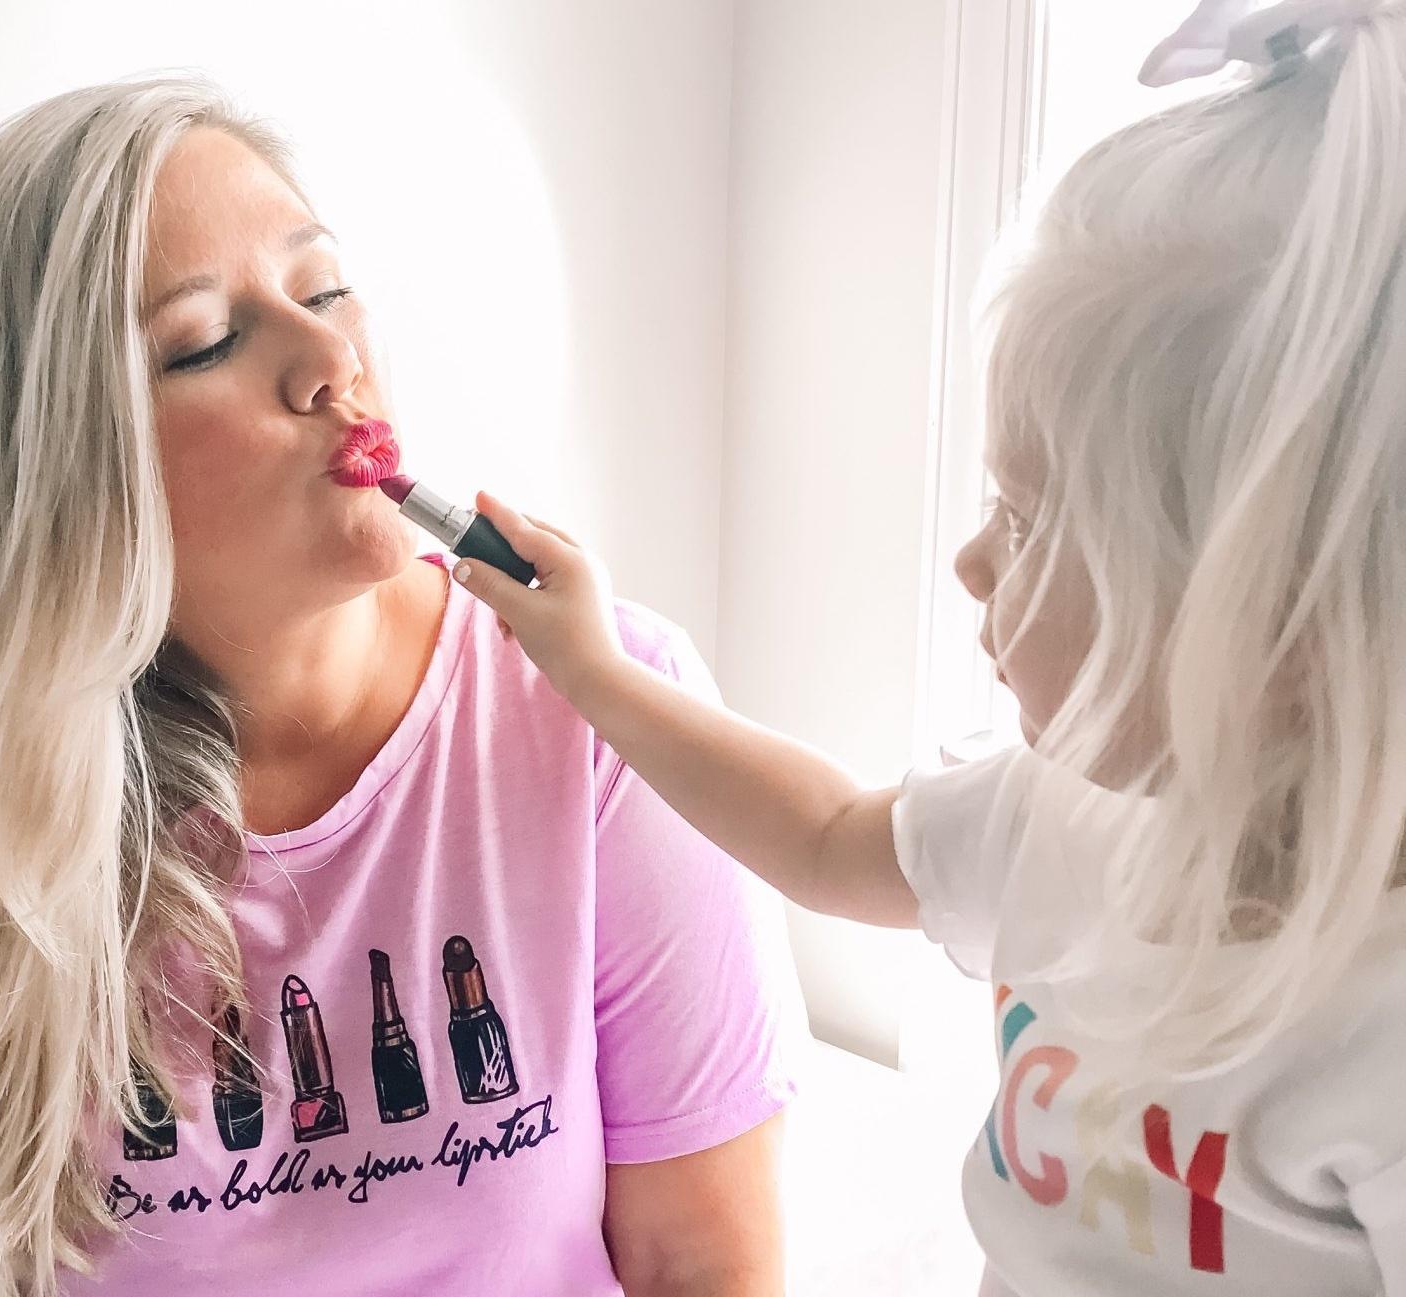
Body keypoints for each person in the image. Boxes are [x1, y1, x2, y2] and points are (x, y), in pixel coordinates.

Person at [0, 74, 803, 1297]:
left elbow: (706, 1266)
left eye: (324, 288)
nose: (328, 359)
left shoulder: (602, 716)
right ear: (59, 475)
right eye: (207, 340)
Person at [454, 3, 1406, 1293]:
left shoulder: (1373, 1030)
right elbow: (827, 834)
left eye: (1026, 519)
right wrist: (600, 674)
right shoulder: (1054, 817)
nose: (970, 562)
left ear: (1277, 617)